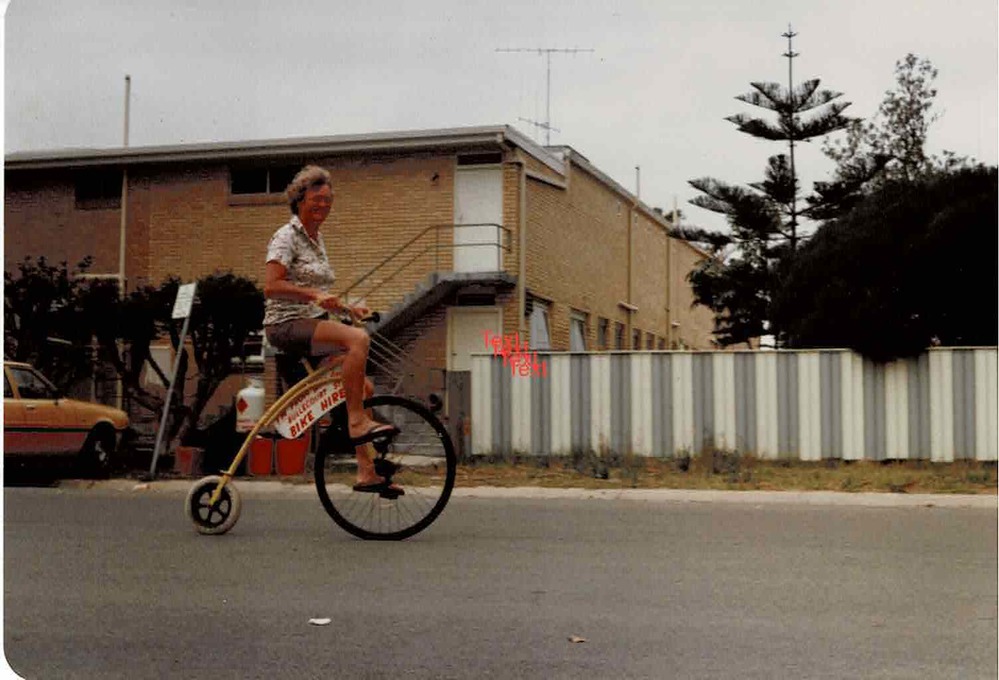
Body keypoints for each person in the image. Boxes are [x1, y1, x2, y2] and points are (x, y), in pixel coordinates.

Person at [263, 165, 400, 493]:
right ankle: (356, 422)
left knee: (359, 388)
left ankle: (366, 471)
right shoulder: (287, 236)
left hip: (312, 321)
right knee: (358, 340)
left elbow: (320, 295)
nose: (323, 205)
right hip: (285, 325)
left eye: (328, 200)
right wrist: (314, 295)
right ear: (299, 199)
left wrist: (347, 307)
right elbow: (271, 286)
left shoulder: (316, 240)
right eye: (317, 198)